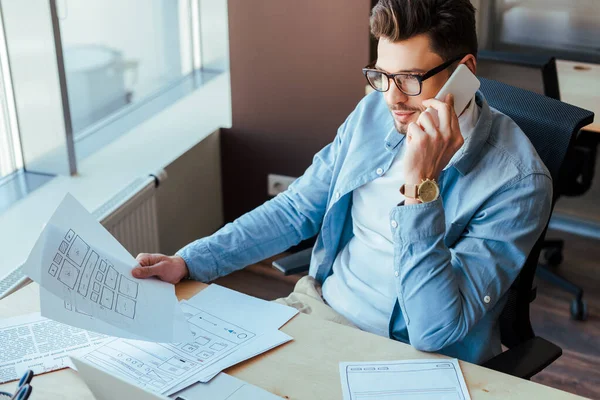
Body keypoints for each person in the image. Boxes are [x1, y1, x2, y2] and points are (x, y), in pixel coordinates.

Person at [132, 0, 552, 364]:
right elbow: (295, 208)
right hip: (321, 314)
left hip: (420, 358)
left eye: (409, 79)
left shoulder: (519, 182)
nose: (392, 98)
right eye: (382, 76)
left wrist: (422, 186)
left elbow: (433, 330)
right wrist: (191, 262)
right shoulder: (373, 112)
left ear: (465, 71)